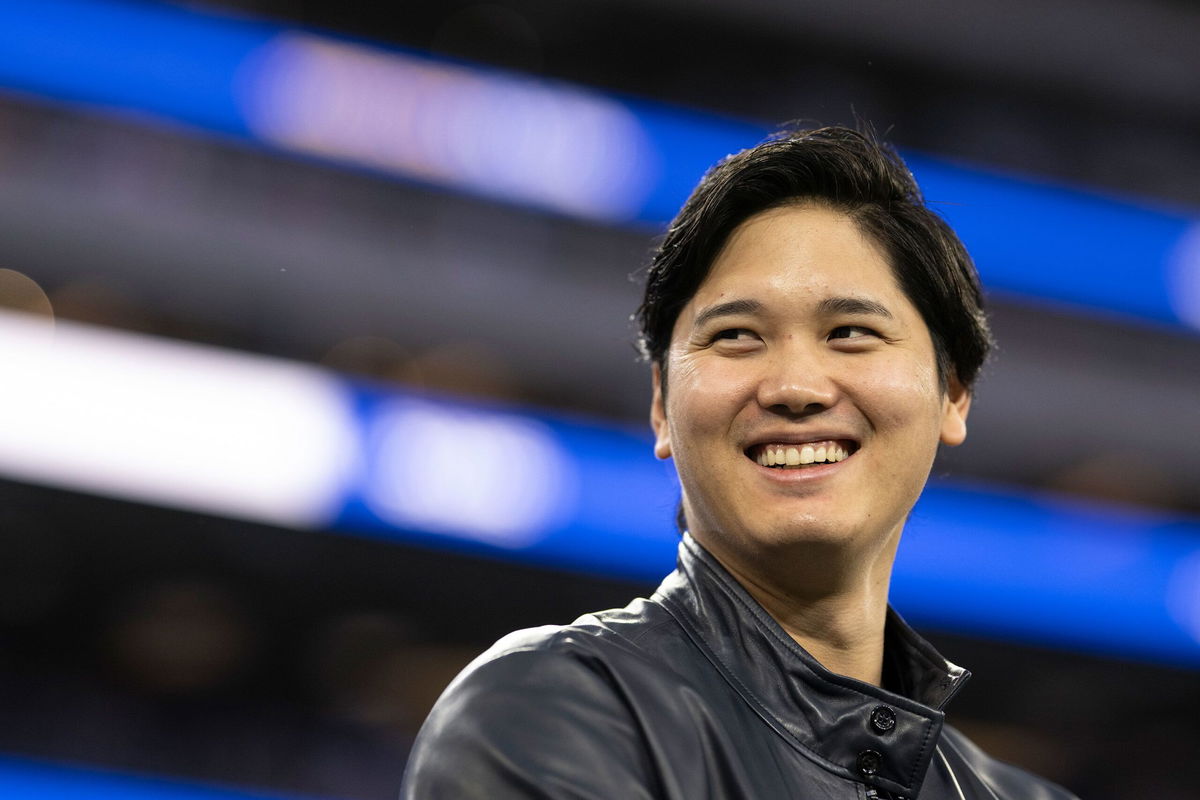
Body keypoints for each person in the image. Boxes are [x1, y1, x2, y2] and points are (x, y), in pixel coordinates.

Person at [400, 127, 1079, 799]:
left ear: (952, 393)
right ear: (663, 404)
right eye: (736, 336)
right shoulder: (551, 711)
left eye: (851, 333)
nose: (795, 387)